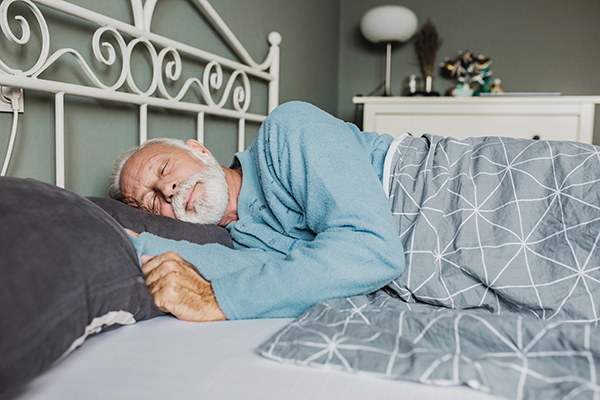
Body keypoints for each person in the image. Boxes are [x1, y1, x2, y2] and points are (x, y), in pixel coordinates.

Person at [108, 101, 405, 321]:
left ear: (199, 150)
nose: (167, 190)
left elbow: (372, 249)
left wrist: (214, 299)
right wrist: (116, 239)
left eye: (163, 168)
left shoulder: (286, 130)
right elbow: (216, 267)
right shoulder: (242, 242)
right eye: (151, 203)